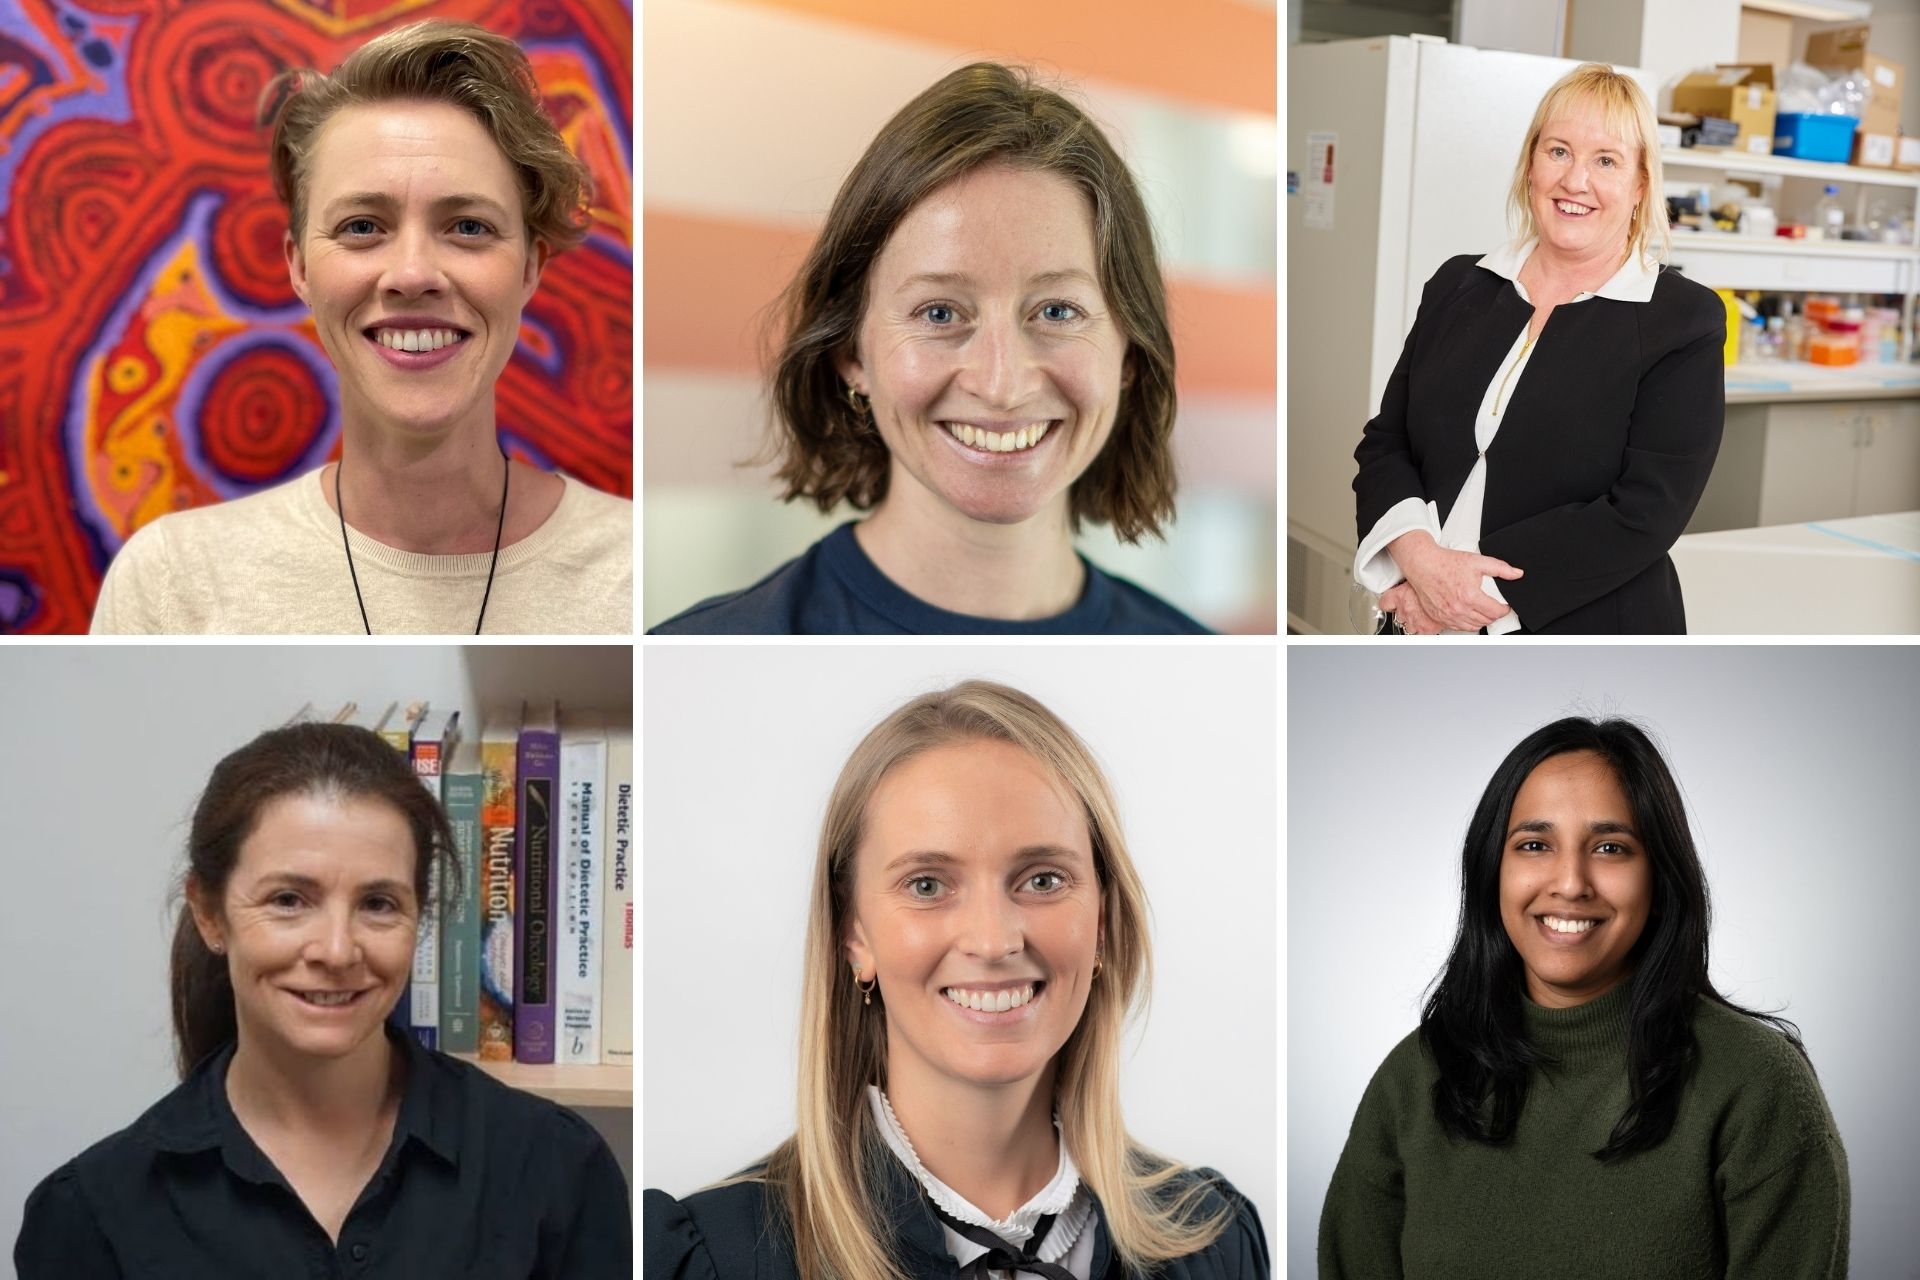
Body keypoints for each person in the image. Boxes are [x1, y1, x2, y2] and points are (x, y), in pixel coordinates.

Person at [644, 681, 1268, 1277]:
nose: (994, 941)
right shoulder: (706, 1259)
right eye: (927, 885)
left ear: (1102, 921)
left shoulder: (1215, 1242)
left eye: (1043, 880)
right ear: (853, 933)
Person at [13, 723, 631, 1277]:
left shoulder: (556, 1170)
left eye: (378, 904)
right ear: (208, 913)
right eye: (288, 900)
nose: (337, 950)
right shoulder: (88, 1217)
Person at [89, 21, 631, 635]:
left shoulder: (635, 576)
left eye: (469, 227)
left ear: (529, 267)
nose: (412, 274)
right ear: (299, 266)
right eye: (362, 227)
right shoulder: (173, 585)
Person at [651, 64, 1208, 635]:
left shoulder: (1204, 665)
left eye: (1058, 311)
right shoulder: (699, 647)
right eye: (939, 313)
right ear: (851, 352)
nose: (1001, 384)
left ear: (1130, 354)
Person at [1317, 717, 1848, 1277]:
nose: (1570, 882)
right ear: (1493, 867)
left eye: (1611, 847)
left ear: (1659, 877)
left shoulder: (1756, 1086)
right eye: (1535, 844)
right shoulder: (1413, 1080)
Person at [1351, 64, 1724, 635]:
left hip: (1581, 635)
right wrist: (1420, 565)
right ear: (1530, 166)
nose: (1576, 181)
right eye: (1558, 151)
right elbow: (1387, 442)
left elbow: (1646, 512)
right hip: (1416, 616)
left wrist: (1464, 597)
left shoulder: (1683, 320)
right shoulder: (1457, 285)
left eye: (1606, 160)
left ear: (1641, 184)